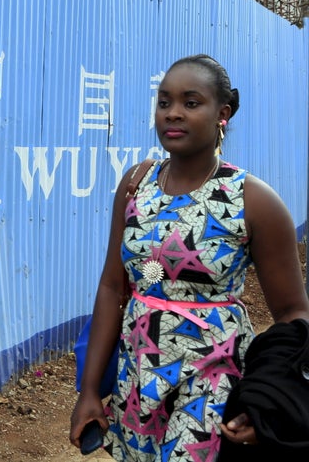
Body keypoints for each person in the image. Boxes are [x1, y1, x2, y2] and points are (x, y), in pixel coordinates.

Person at [69, 54, 309, 460]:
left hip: (212, 379)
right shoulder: (136, 184)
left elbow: (294, 313)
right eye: (164, 102)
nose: (173, 114)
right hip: (138, 374)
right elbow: (113, 286)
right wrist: (90, 391)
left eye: (190, 102)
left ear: (223, 114)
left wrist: (268, 398)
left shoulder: (252, 200)